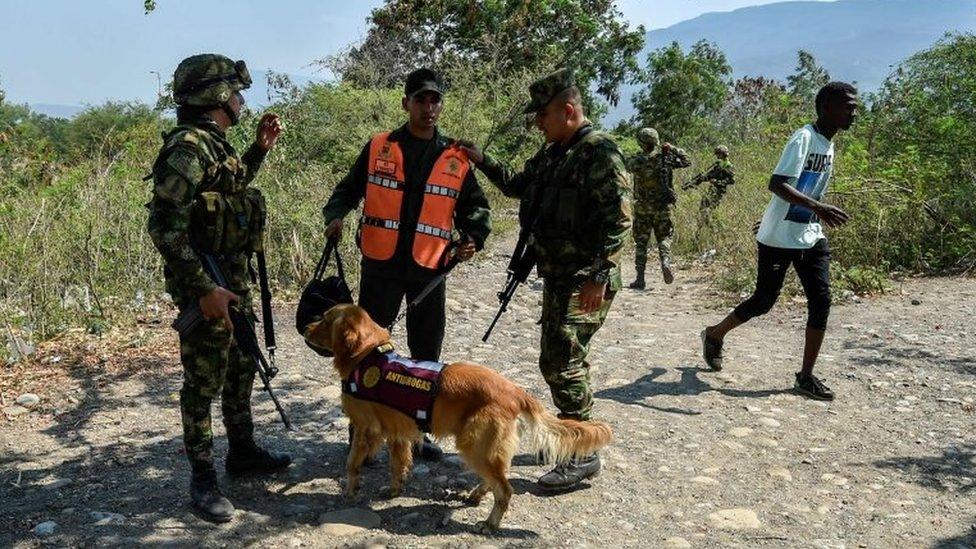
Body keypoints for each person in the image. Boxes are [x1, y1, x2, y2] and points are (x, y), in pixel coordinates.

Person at [459, 68, 631, 491]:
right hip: (558, 275)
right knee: (556, 357)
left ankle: (583, 453)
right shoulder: (555, 153)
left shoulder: (598, 153)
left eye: (544, 115)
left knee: (562, 360)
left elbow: (621, 219)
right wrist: (482, 161)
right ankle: (574, 439)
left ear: (568, 110)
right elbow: (519, 186)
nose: (538, 123)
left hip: (585, 279)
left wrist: (599, 276)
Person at [146, 53, 290, 522]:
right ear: (216, 97)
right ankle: (203, 479)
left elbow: (229, 187)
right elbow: (164, 226)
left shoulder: (214, 144)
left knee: (241, 368)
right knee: (203, 383)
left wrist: (259, 151)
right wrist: (204, 288)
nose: (241, 100)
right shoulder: (188, 148)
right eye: (235, 92)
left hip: (233, 283)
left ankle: (243, 451)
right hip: (207, 287)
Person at [322, 67, 492, 460]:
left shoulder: (456, 158)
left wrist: (472, 238)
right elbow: (348, 189)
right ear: (406, 103)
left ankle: (417, 433)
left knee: (425, 354)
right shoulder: (379, 146)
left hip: (429, 270)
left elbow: (476, 209)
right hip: (381, 265)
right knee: (367, 350)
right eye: (421, 99)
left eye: (435, 100)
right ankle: (361, 433)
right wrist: (336, 214)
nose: (429, 107)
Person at [700, 82, 858, 401]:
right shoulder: (804, 138)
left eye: (854, 106)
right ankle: (714, 335)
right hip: (778, 237)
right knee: (764, 300)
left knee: (822, 299)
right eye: (848, 106)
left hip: (810, 235)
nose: (854, 112)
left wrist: (815, 211)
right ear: (827, 107)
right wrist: (817, 207)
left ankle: (806, 377)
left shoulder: (828, 143)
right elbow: (777, 183)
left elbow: (806, 188)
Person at [628, 127, 691, 289]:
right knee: (664, 237)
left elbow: (625, 166)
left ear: (641, 143)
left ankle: (640, 279)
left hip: (642, 207)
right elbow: (686, 160)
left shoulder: (636, 161)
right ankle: (665, 262)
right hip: (662, 207)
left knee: (641, 242)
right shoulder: (665, 159)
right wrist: (672, 148)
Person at [684, 145, 736, 232]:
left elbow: (731, 180)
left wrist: (717, 182)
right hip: (711, 191)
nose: (717, 156)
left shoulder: (728, 166)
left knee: (707, 212)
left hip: (718, 192)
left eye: (718, 154)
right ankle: (710, 230)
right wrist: (692, 183)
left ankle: (716, 230)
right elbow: (707, 176)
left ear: (723, 154)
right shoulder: (718, 165)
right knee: (703, 210)